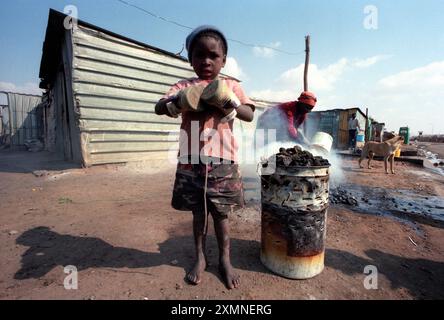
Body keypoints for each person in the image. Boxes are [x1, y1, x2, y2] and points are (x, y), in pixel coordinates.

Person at [154, 25, 255, 289]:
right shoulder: (183, 85)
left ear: (223, 60)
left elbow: (249, 114)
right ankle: (200, 257)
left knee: (221, 215)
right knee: (198, 213)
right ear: (190, 59)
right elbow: (158, 107)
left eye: (213, 56)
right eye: (199, 55)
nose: (206, 61)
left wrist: (230, 101)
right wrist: (176, 102)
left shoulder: (231, 85)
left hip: (223, 161)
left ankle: (224, 259)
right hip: (191, 160)